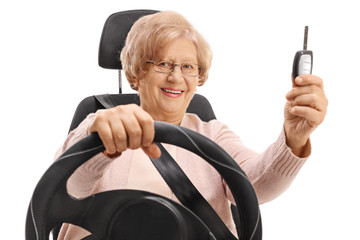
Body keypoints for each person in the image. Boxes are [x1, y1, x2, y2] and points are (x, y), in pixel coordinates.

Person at [56, 10, 328, 239]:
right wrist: (100, 139)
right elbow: (67, 186)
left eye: (189, 67)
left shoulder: (213, 134)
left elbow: (256, 186)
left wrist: (293, 138)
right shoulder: (99, 124)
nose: (177, 77)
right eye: (163, 63)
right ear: (136, 73)